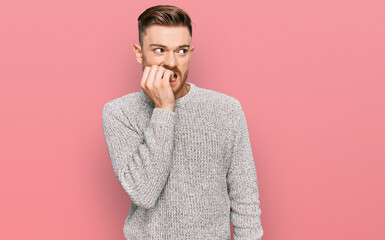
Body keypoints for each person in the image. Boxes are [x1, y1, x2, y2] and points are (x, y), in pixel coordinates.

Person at [101, 5, 264, 240]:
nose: (171, 62)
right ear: (139, 53)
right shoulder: (119, 113)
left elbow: (245, 199)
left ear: (190, 52)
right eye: (159, 50)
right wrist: (164, 109)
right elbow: (144, 194)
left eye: (181, 51)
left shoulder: (226, 109)